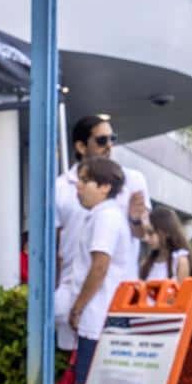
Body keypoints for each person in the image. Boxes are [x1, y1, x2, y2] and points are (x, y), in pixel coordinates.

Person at [54, 113, 150, 353]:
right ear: (80, 146)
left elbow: (144, 235)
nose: (109, 145)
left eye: (112, 138)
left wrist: (136, 219)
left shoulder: (133, 180)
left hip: (116, 293)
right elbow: (56, 241)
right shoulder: (60, 185)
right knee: (76, 364)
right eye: (101, 140)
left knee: (109, 366)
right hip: (72, 286)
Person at [65, 156, 141, 384]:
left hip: (100, 317)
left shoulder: (106, 217)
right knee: (90, 382)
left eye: (85, 181)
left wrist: (78, 307)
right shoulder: (101, 216)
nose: (78, 187)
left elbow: (100, 265)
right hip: (101, 316)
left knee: (88, 383)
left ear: (105, 187)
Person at [141, 206, 192, 281]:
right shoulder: (145, 263)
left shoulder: (180, 261)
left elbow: (183, 292)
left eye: (150, 233)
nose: (146, 238)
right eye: (145, 233)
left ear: (167, 232)